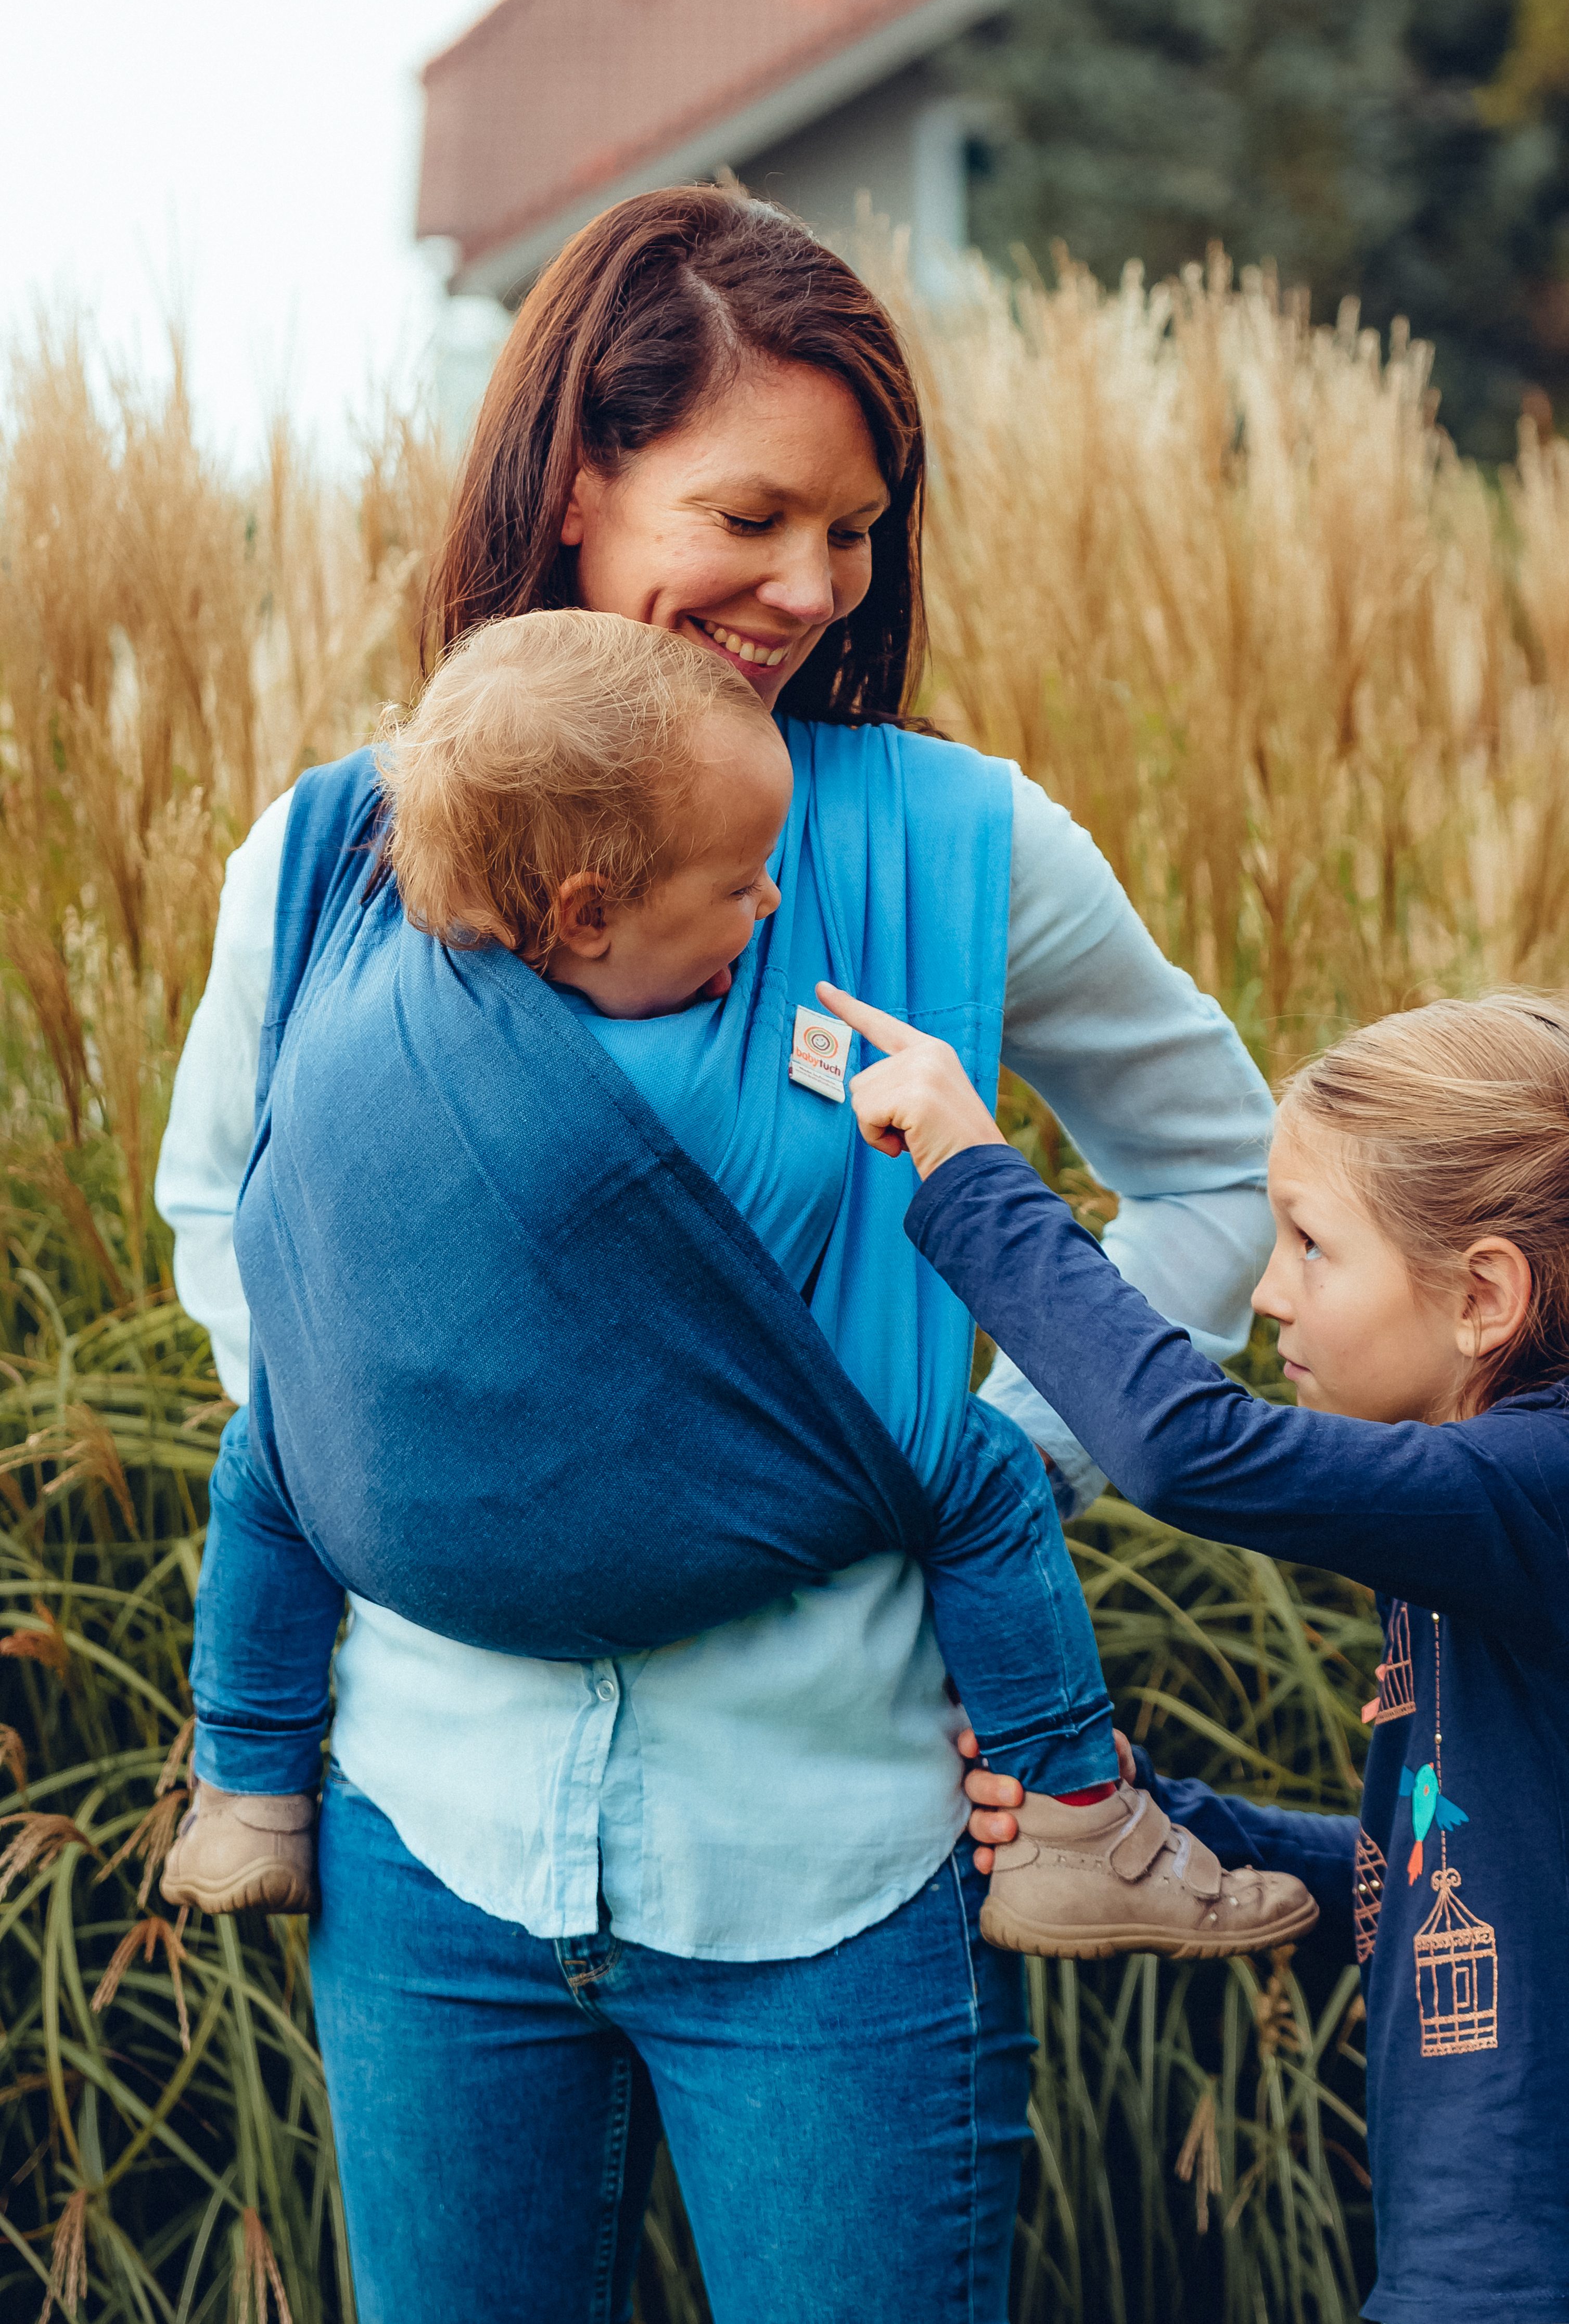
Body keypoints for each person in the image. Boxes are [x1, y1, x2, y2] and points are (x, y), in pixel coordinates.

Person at [154, 186, 1282, 2324]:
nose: (807, 587)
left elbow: (1220, 1170)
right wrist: (435, 1441)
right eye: (751, 513)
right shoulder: (335, 856)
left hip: (837, 1851)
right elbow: (226, 1205)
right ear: (576, 479)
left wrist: (1007, 1455)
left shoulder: (963, 842)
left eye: (851, 532)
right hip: (426, 1836)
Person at [161, 606, 1316, 1974]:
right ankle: (1076, 1818)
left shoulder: (356, 996)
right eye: (739, 888)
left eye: (850, 527)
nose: (770, 906)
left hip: (405, 1549)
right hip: (505, 1786)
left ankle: (243, 1782)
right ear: (590, 909)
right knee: (982, 1479)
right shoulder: (717, 1064)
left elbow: (242, 1221)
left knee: (262, 1467)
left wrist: (379, 1437)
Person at [826, 979, 1569, 2324]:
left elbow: (1187, 1447)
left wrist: (967, 1166)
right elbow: (1449, 1885)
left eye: (1308, 1243)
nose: (1269, 1287)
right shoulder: (1495, 1529)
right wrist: (1167, 1813)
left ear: (1484, 1295)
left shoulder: (1542, 1487)